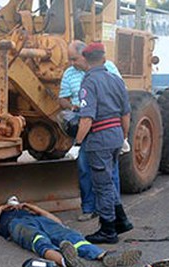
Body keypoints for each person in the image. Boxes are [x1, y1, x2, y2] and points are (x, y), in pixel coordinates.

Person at [59, 40, 123, 222]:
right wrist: (73, 107)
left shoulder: (105, 70)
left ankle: (113, 210)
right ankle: (90, 208)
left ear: (85, 55)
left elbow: (120, 99)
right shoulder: (70, 73)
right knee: (85, 168)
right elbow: (62, 99)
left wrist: (77, 143)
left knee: (110, 170)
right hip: (87, 125)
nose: (72, 63)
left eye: (74, 59)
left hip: (100, 125)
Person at [75, 42, 133, 243]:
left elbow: (86, 119)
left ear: (85, 59)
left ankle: (108, 229)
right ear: (104, 58)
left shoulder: (89, 82)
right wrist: (124, 137)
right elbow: (126, 113)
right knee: (108, 180)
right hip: (116, 134)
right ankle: (121, 221)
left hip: (99, 137)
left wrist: (77, 143)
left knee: (102, 185)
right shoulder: (115, 79)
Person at [0, 196, 142, 267]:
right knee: (39, 240)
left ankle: (104, 256)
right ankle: (65, 260)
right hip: (17, 225)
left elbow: (56, 221)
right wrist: (1, 209)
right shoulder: (2, 217)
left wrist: (31, 207)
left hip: (38, 220)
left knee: (69, 235)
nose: (14, 205)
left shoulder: (29, 211)